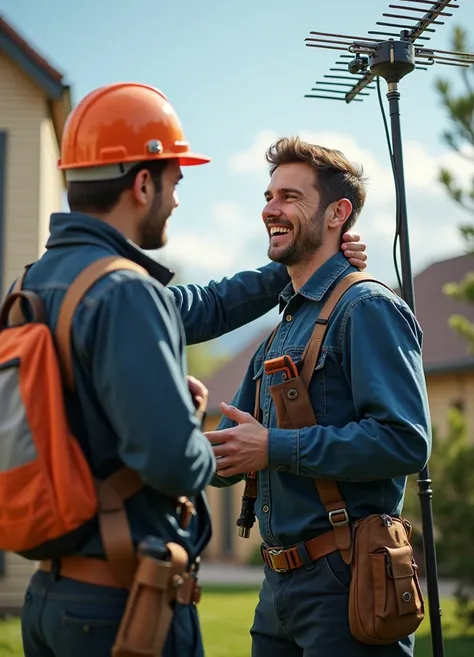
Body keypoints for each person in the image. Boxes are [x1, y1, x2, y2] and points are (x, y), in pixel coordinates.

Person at [13, 84, 367, 657]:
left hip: (50, 597)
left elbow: (202, 308)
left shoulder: (31, 289)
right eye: (174, 182)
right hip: (121, 603)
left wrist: (296, 263)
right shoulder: (121, 289)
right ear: (143, 182)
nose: (176, 200)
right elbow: (173, 463)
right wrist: (216, 436)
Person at [205, 137, 431, 657]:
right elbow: (233, 450)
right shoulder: (282, 327)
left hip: (350, 580)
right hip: (278, 589)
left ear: (338, 213)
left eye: (289, 196)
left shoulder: (368, 307)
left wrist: (274, 448)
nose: (270, 209)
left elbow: (404, 441)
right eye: (268, 195)